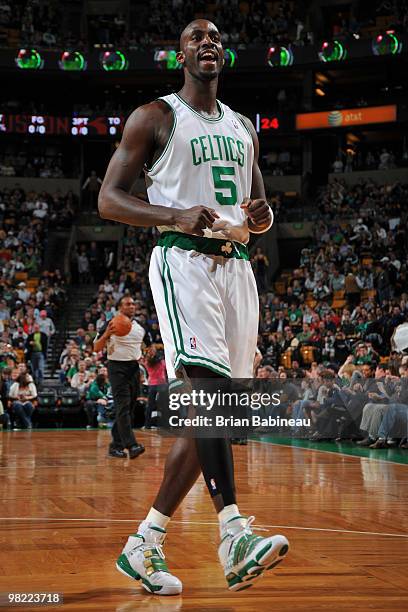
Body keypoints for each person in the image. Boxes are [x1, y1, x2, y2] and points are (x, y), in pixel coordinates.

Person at [98, 19, 289, 595]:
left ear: (222, 55)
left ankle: (144, 545)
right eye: (196, 37)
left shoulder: (243, 126)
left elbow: (256, 212)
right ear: (179, 53)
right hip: (183, 259)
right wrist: (172, 214)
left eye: (216, 37)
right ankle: (233, 533)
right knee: (204, 388)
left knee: (217, 417)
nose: (209, 42)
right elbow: (109, 199)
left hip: (236, 269)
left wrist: (262, 218)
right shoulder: (154, 116)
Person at [94, 295, 147, 459]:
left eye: (133, 303)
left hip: (133, 367)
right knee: (122, 407)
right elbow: (96, 347)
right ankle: (131, 446)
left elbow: (145, 345)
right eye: (127, 304)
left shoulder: (139, 327)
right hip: (116, 367)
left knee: (129, 409)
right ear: (120, 307)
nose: (131, 306)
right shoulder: (110, 324)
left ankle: (115, 446)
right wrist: (107, 334)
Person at [25, 323, 48, 387]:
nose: (36, 329)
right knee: (34, 369)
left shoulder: (43, 335)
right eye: (35, 328)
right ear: (33, 328)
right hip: (32, 353)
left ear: (39, 328)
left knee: (41, 368)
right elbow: (26, 344)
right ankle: (35, 381)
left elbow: (45, 345)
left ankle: (41, 382)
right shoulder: (30, 336)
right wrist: (30, 343)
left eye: (37, 328)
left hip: (41, 353)